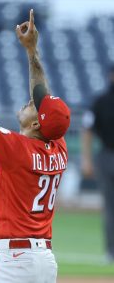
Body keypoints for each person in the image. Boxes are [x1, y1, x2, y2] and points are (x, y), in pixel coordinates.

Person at [0, 9, 70, 283]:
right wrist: (32, 50)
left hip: (12, 263)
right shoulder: (59, 146)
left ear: (35, 126)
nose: (32, 100)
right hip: (44, 263)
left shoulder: (16, 149)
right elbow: (42, 95)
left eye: (36, 107)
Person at [82, 65, 114, 264]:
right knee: (110, 207)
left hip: (105, 156)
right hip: (106, 154)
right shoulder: (100, 101)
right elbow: (87, 129)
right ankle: (111, 251)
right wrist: (86, 159)